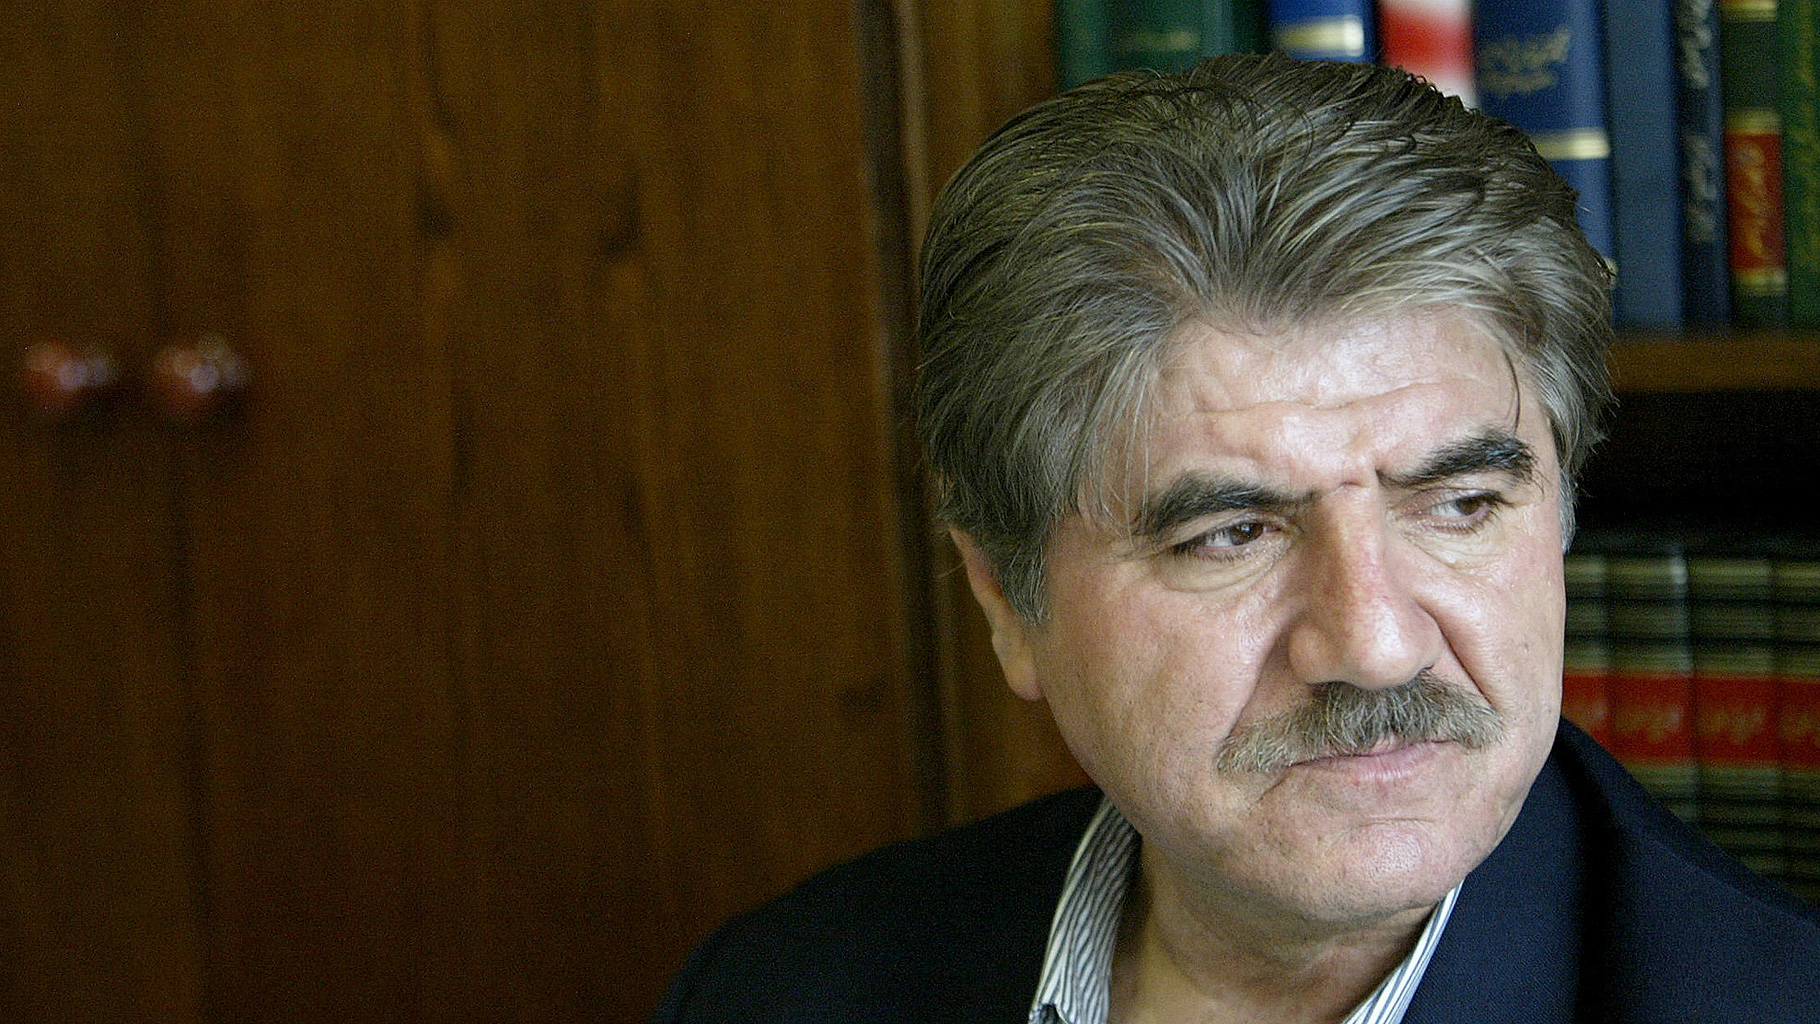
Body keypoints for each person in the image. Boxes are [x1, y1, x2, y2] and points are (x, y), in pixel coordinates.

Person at [653, 54, 1820, 1024]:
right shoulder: (784, 989)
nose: (1373, 644)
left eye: (1459, 504)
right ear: (1003, 596)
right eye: (1232, 534)